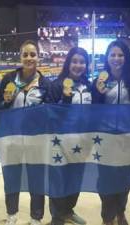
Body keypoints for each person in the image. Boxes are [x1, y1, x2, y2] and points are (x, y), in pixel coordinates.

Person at [0, 40, 53, 225]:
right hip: (12, 139)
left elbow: (52, 113)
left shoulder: (45, 84)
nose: (29, 58)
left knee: (37, 179)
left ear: (38, 57)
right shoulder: (9, 79)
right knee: (11, 177)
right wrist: (5, 101)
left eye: (32, 54)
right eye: (25, 54)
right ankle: (12, 214)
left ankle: (36, 217)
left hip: (36, 140)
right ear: (20, 57)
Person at [91, 40, 130, 225]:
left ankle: (121, 212)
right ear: (107, 58)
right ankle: (107, 217)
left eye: (120, 55)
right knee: (105, 179)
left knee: (123, 178)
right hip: (105, 139)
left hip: (129, 138)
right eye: (112, 55)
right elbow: (93, 110)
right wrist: (97, 92)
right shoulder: (99, 80)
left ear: (126, 57)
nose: (116, 58)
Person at [49, 47, 91, 225]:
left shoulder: (89, 86)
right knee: (59, 179)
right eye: (75, 61)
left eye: (82, 62)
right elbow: (50, 113)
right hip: (60, 141)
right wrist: (65, 99)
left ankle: (68, 211)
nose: (78, 65)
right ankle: (57, 217)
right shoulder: (56, 85)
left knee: (75, 178)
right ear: (68, 63)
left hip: (82, 142)